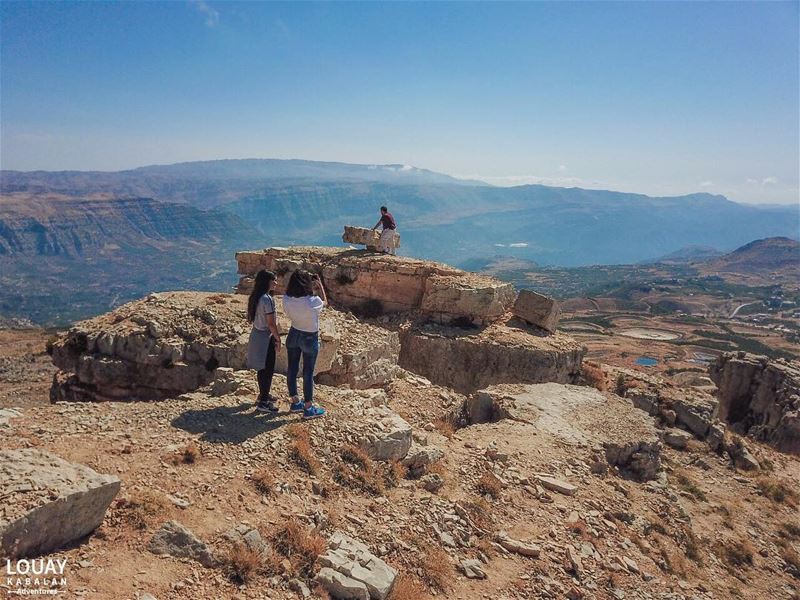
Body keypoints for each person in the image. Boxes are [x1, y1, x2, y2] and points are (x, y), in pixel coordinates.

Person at [282, 270, 327, 420]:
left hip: (294, 333)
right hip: (309, 337)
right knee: (308, 371)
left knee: (292, 368)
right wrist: (319, 286)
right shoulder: (312, 301)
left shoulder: (287, 298)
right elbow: (325, 303)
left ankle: (295, 402)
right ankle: (308, 408)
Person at [246, 270, 282, 413]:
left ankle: (263, 394)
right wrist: (278, 339)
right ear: (267, 281)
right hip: (265, 337)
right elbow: (271, 324)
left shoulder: (256, 296)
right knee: (268, 369)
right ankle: (264, 402)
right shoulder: (267, 299)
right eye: (274, 280)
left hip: (256, 334)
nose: (276, 283)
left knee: (262, 368)